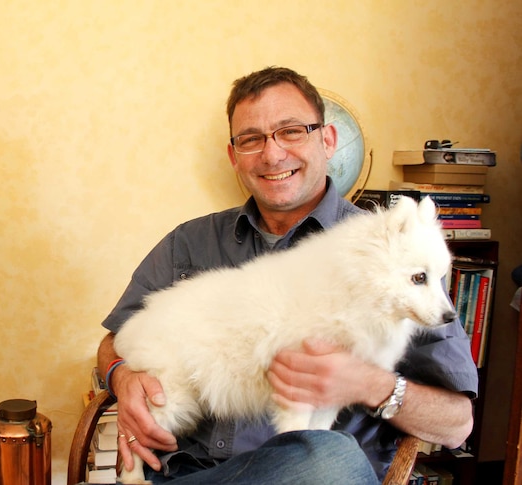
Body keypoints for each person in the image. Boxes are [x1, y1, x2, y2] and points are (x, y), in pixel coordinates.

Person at [96, 66, 478, 484]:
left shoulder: (395, 253)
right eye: (251, 139)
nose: (272, 154)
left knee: (323, 459)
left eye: (292, 131)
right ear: (234, 155)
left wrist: (370, 384)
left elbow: (457, 424)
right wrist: (121, 374)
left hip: (311, 472)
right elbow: (116, 340)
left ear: (328, 140)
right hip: (191, 474)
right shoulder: (189, 242)